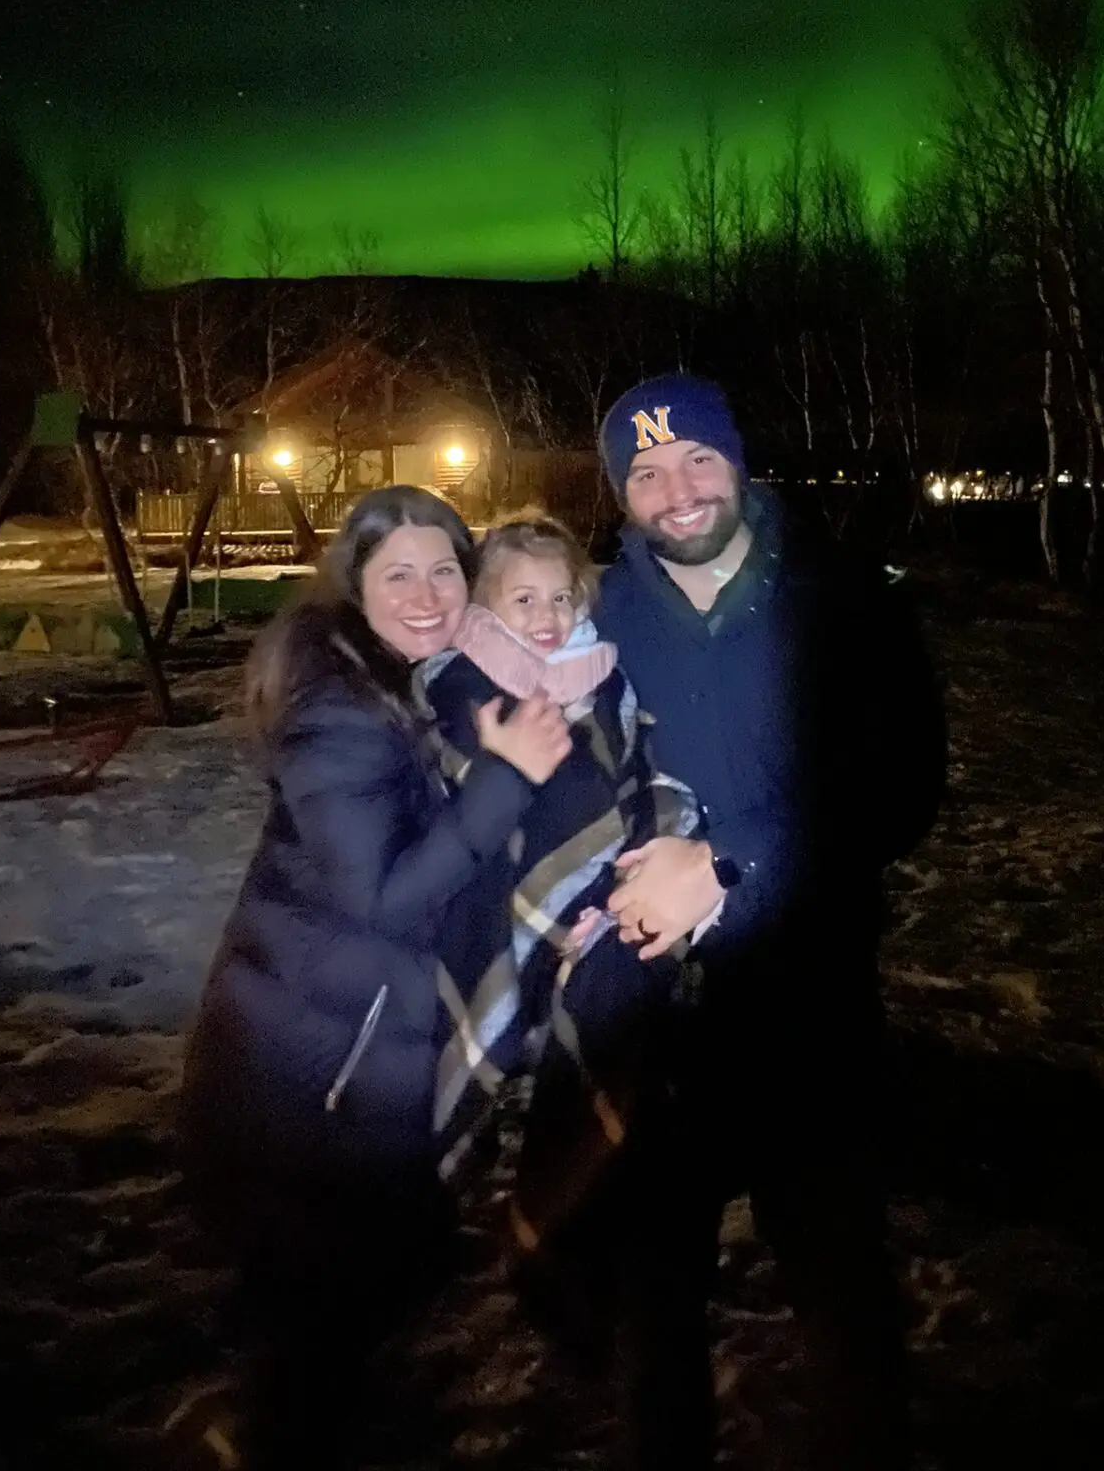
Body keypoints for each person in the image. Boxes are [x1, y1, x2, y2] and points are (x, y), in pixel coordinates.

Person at [585, 373, 947, 1471]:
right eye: (644, 473)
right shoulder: (599, 619)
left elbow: (902, 785)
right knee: (652, 1334)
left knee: (846, 1317)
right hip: (656, 1041)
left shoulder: (845, 601)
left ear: (740, 463)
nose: (677, 491)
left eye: (698, 459)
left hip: (812, 1018)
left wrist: (734, 863)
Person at [178, 485, 572, 1470]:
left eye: (446, 567)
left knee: (354, 1299)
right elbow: (390, 897)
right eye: (399, 572)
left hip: (356, 1047)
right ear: (354, 585)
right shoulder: (340, 712)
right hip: (317, 1070)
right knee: (319, 1318)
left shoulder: (412, 679)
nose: (429, 591)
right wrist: (508, 776)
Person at [415, 513, 704, 1297]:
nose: (545, 619)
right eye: (522, 601)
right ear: (485, 605)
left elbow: (629, 768)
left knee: (602, 1058)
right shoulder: (461, 676)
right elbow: (470, 782)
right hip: (494, 897)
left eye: (560, 599)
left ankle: (560, 1222)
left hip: (598, 906)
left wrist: (624, 866)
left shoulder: (604, 676)